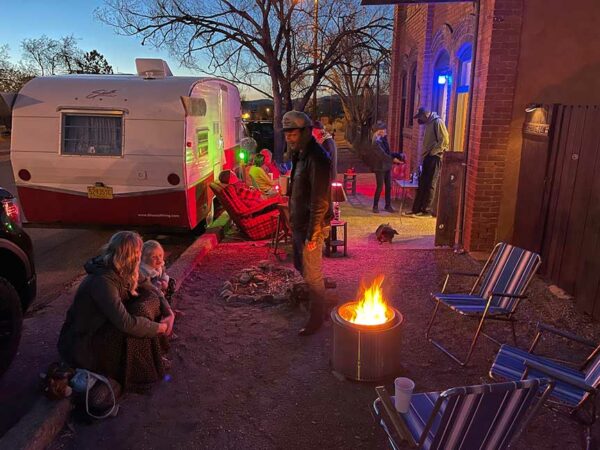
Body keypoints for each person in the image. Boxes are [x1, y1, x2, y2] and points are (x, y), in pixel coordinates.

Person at [58, 231, 173, 392]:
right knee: (138, 319)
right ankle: (137, 371)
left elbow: (150, 288)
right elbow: (126, 323)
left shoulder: (123, 269)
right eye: (139, 253)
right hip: (85, 343)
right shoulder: (103, 281)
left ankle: (152, 357)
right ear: (131, 255)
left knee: (149, 300)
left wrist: (168, 312)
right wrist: (158, 328)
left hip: (103, 328)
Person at [283, 110, 332, 336]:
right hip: (299, 222)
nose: (289, 139)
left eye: (293, 134)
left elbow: (320, 200)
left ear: (305, 132)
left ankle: (317, 319)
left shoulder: (318, 158)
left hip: (312, 225)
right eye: (287, 135)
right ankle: (319, 302)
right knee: (300, 265)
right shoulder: (300, 155)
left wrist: (313, 235)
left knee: (313, 274)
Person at [406, 107, 449, 217]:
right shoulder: (429, 123)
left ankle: (426, 210)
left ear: (425, 115)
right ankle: (417, 209)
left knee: (430, 184)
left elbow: (444, 140)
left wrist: (434, 152)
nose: (419, 120)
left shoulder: (437, 122)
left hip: (434, 157)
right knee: (422, 183)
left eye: (420, 117)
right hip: (428, 156)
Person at [370, 121, 405, 213]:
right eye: (384, 130)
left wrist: (398, 155)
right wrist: (393, 160)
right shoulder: (375, 143)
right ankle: (375, 205)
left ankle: (388, 205)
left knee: (388, 186)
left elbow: (388, 153)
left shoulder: (383, 139)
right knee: (380, 186)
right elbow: (382, 155)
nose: (386, 131)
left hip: (387, 166)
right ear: (379, 131)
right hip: (380, 167)